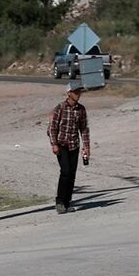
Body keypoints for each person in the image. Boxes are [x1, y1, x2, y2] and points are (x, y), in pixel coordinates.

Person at [47, 81, 90, 214]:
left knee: (72, 174)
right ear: (69, 93)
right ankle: (59, 202)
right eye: (76, 92)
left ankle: (67, 203)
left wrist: (86, 147)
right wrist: (54, 144)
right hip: (61, 145)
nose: (78, 94)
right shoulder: (60, 108)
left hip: (74, 145)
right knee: (65, 172)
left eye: (79, 92)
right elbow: (52, 128)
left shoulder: (81, 109)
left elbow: (84, 129)